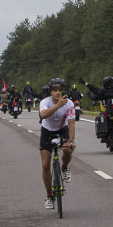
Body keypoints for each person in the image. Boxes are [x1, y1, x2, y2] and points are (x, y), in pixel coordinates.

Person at [39, 77, 76, 210]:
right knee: (45, 164)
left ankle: (65, 167)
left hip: (62, 130)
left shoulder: (70, 103)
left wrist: (71, 140)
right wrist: (57, 106)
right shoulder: (45, 102)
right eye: (54, 90)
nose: (57, 93)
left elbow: (71, 123)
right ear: (50, 92)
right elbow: (43, 115)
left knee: (67, 150)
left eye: (60, 90)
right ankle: (49, 196)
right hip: (47, 131)